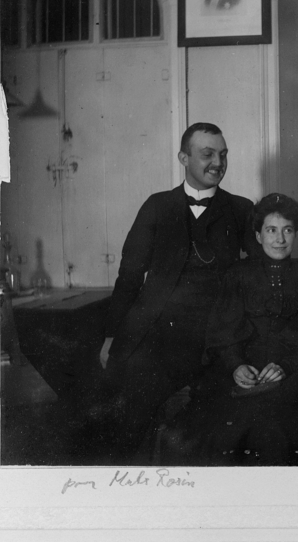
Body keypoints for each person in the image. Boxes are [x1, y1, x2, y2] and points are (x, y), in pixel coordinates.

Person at [93, 122, 257, 459]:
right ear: (184, 158)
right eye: (207, 154)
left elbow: (257, 272)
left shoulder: (241, 209)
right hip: (157, 337)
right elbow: (129, 276)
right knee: (129, 415)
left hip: (215, 337)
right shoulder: (157, 206)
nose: (218, 163)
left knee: (212, 428)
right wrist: (112, 335)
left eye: (223, 155)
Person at [156, 194, 298, 466]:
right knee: (213, 427)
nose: (280, 239)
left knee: (273, 426)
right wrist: (236, 366)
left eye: (287, 230)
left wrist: (285, 366)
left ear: (295, 234)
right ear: (259, 236)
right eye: (271, 230)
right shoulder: (237, 275)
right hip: (240, 368)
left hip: (291, 370)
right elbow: (222, 331)